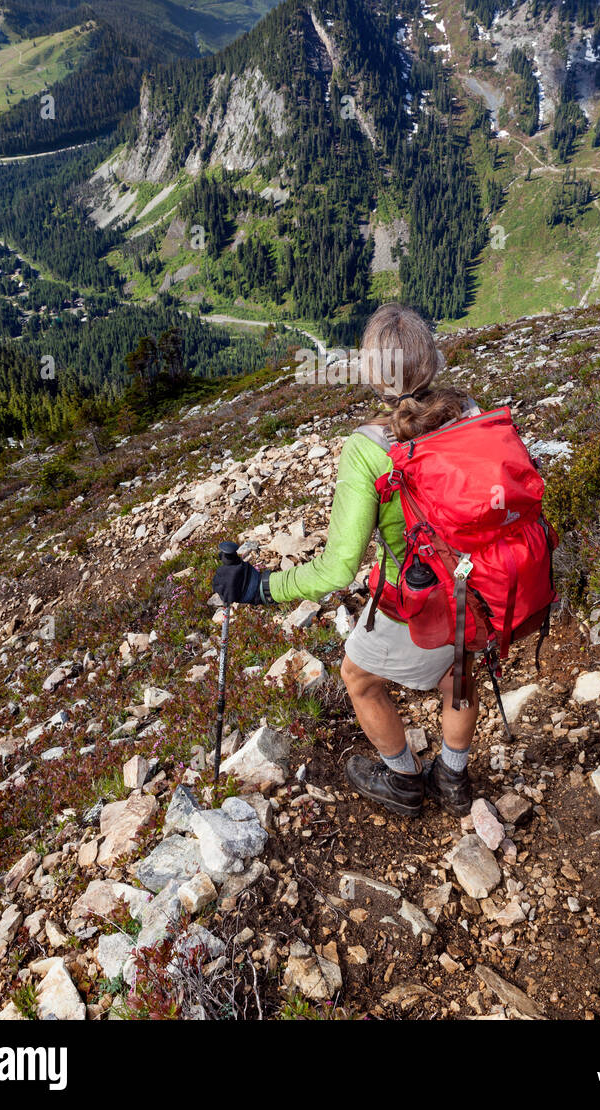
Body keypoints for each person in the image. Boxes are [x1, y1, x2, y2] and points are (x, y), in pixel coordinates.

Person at [212, 303, 481, 819]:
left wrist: (259, 587)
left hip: (426, 597)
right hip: (485, 590)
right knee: (459, 673)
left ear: (374, 375)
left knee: (358, 676)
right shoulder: (469, 412)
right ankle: (452, 775)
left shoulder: (370, 447)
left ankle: (404, 780)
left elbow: (338, 569)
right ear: (433, 360)